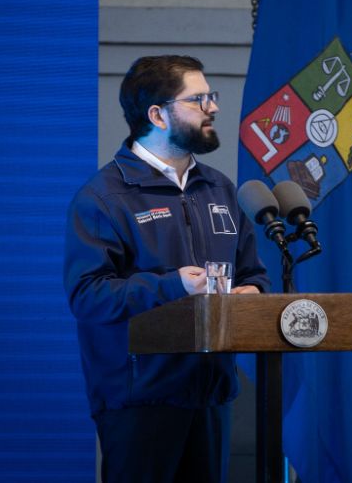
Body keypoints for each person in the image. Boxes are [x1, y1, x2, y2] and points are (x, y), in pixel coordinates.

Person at [64, 55, 270, 482]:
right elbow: (88, 296)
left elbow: (253, 273)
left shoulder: (220, 188)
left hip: (211, 395)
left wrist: (253, 296)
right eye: (198, 99)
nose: (212, 107)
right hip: (140, 401)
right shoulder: (105, 197)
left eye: (210, 97)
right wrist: (172, 286)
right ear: (157, 114)